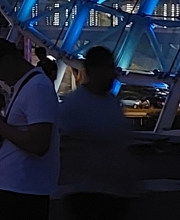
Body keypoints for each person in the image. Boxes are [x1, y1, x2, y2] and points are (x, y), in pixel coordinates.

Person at [0, 38, 59, 220]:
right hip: (20, 187)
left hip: (23, 189)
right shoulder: (30, 85)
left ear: (7, 61)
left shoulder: (37, 87)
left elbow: (39, 144)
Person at [58, 46, 136, 220]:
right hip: (87, 194)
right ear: (93, 70)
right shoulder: (74, 105)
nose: (113, 74)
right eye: (108, 68)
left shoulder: (112, 102)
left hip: (112, 192)